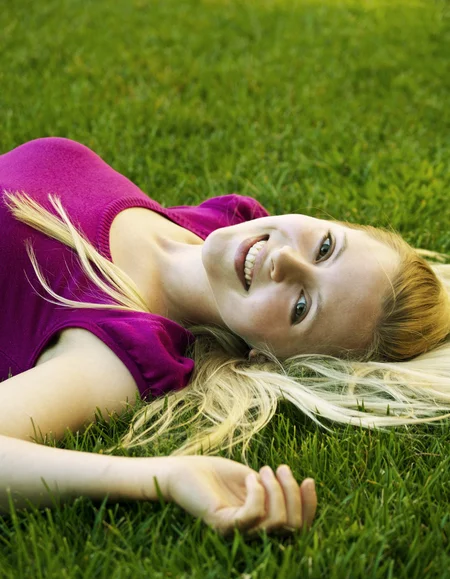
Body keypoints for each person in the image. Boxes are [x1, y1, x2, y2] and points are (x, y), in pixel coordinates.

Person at [1, 138, 449, 535]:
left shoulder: (117, 343)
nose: (287, 261)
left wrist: (164, 478)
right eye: (326, 247)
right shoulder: (214, 222)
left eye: (301, 307)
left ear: (265, 357)